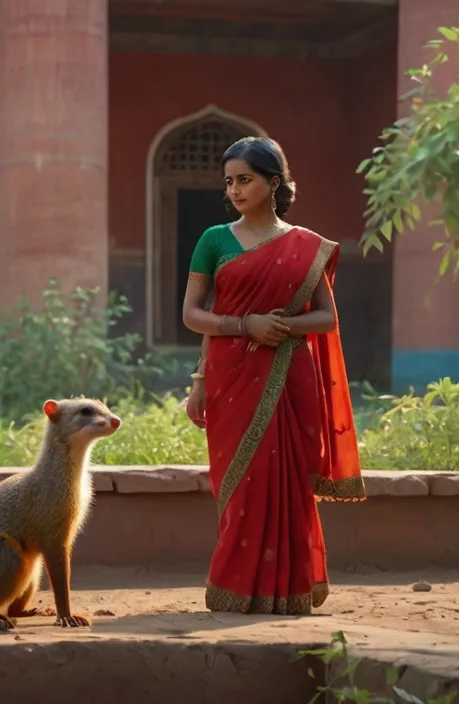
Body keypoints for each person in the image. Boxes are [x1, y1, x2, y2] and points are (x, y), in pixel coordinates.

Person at [180, 136, 365, 616]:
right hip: (229, 376)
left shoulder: (306, 246)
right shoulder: (214, 240)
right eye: (229, 181)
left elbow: (326, 318)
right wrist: (233, 340)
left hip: (287, 372)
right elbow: (194, 315)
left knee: (285, 480)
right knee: (239, 482)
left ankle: (288, 590)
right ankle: (234, 586)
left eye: (245, 179)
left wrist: (280, 328)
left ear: (273, 183)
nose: (235, 189)